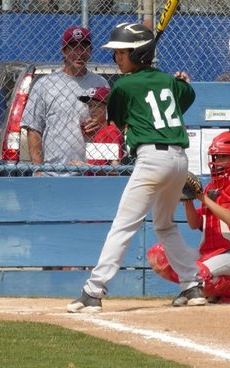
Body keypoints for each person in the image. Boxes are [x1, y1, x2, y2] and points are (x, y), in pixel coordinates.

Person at [67, 22, 204, 313]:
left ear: (139, 54)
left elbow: (117, 118)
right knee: (164, 224)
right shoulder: (169, 81)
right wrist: (181, 82)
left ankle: (93, 291)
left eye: (122, 53)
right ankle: (192, 285)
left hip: (152, 159)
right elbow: (186, 96)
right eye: (116, 53)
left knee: (123, 225)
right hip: (179, 160)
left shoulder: (124, 85)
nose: (116, 58)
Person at [147, 130, 230, 304]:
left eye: (223, 157)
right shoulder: (211, 189)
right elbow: (194, 224)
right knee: (160, 255)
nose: (217, 162)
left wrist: (202, 198)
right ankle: (210, 289)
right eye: (215, 157)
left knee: (196, 272)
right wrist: (189, 200)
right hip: (210, 252)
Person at [20, 26, 109, 176]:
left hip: (90, 172)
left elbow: (111, 125)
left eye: (84, 48)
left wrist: (102, 123)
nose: (79, 53)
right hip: (53, 172)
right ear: (64, 51)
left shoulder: (100, 84)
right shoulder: (45, 85)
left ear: (91, 51)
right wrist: (38, 169)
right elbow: (34, 129)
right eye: (73, 48)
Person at [76, 86, 124, 175]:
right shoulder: (101, 131)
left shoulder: (111, 131)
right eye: (90, 106)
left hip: (103, 186)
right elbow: (100, 163)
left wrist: (84, 166)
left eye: (97, 105)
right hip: (94, 183)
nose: (92, 110)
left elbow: (115, 170)